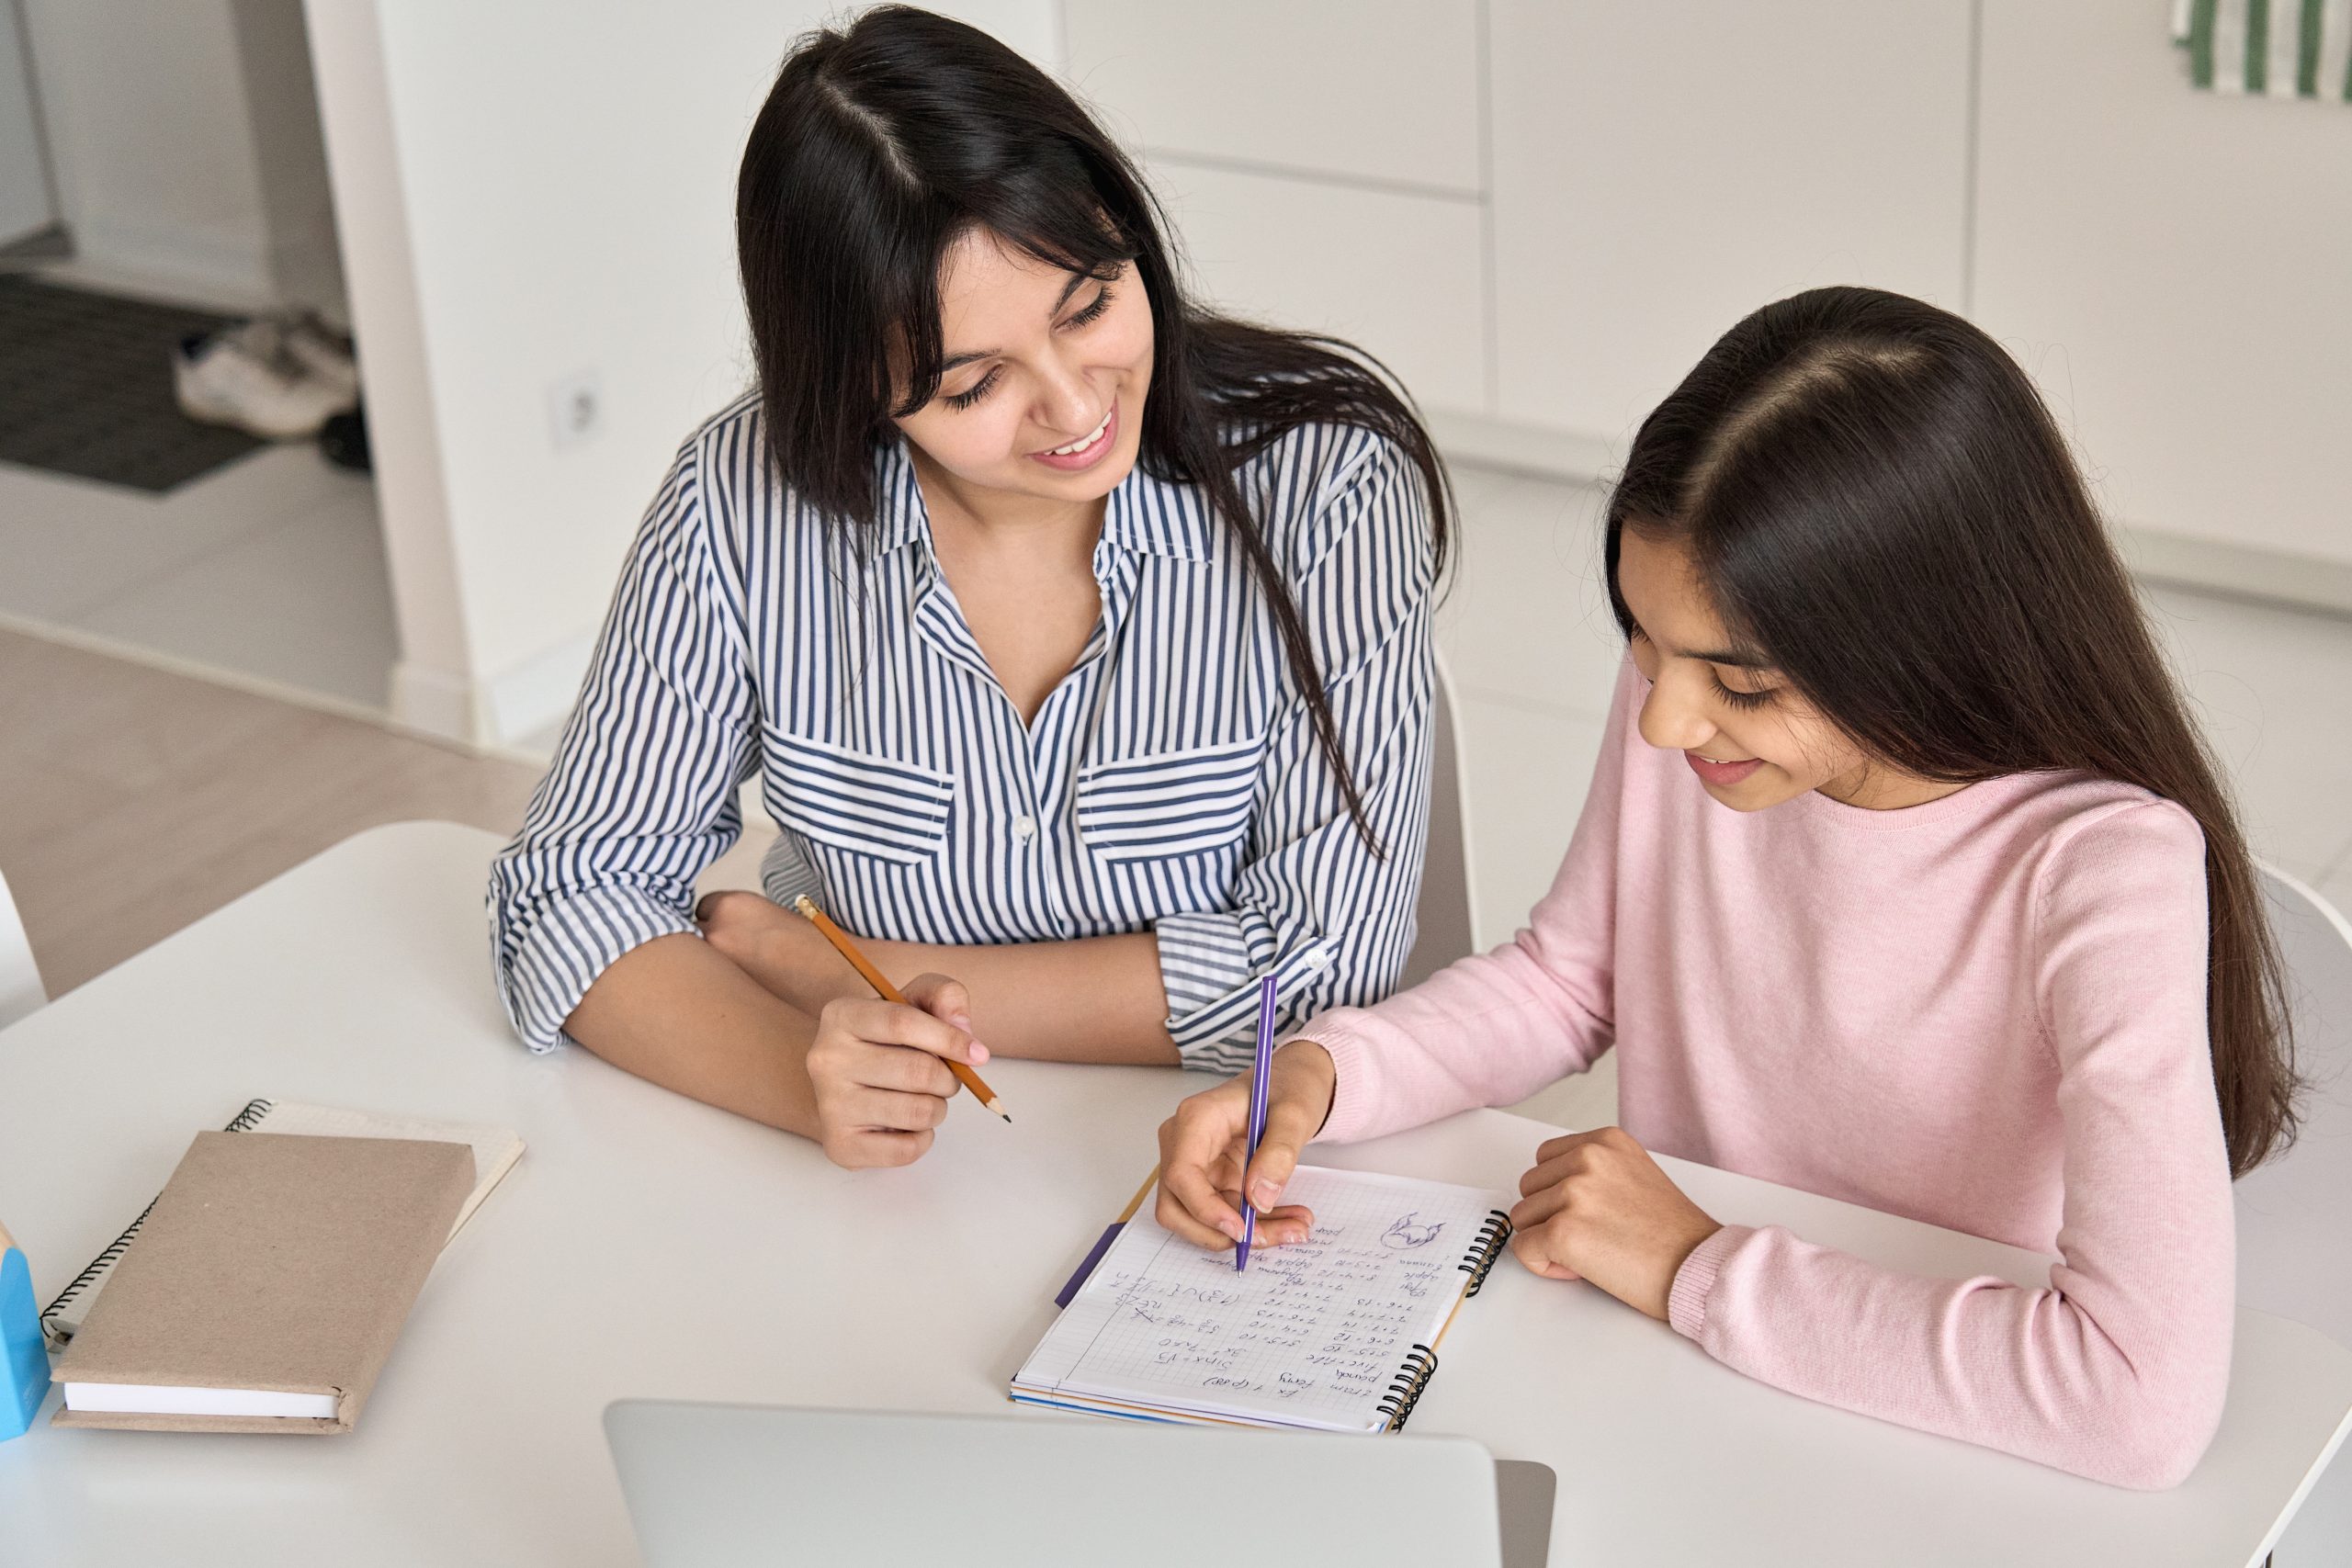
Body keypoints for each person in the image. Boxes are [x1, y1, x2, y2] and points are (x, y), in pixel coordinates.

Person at [1151, 286, 2299, 1489]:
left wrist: (1696, 1260)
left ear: (1925, 643)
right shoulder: (1698, 710)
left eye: (1739, 683)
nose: (1665, 716)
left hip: (1940, 1443)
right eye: (1644, 639)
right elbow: (1568, 978)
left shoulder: (2106, 870)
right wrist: (1328, 1075)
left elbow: (2135, 1400)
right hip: (1660, 1372)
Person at [486, 6, 1451, 1170]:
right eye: (972, 384)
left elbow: (1322, 964)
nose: (1074, 405)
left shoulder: (1327, 484)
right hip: (886, 1194)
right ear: (855, 392)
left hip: (1199, 1153)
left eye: (1090, 305)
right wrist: (801, 1078)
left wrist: (839, 974)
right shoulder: (741, 501)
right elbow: (567, 892)